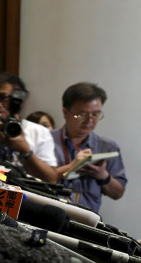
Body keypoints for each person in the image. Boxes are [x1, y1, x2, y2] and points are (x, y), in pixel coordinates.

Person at [52, 82, 126, 213]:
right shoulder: (46, 141)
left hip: (87, 221)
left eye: (95, 114)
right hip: (48, 216)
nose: (89, 121)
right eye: (82, 114)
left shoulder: (107, 147)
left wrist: (103, 175)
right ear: (65, 113)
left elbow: (118, 193)